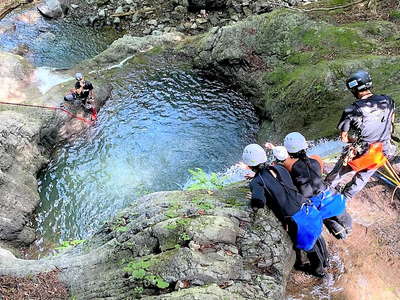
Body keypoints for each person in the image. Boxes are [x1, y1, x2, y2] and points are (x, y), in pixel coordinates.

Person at [242, 144, 328, 277]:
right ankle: (325, 261)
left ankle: (318, 270)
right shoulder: (279, 168)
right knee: (316, 235)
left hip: (296, 218)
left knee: (309, 246)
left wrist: (253, 195)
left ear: (248, 165)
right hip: (307, 206)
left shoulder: (256, 182)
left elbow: (258, 203)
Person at [325, 70, 396, 199]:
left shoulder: (352, 110)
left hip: (363, 152)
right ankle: (345, 197)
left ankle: (325, 192)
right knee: (363, 177)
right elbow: (390, 125)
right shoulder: (388, 100)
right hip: (383, 149)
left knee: (339, 172)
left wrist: (355, 142)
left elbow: (344, 138)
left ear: (354, 90)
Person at [283, 132, 351, 239]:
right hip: (333, 197)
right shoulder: (316, 159)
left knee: (328, 220)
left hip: (316, 206)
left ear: (288, 151)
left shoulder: (288, 166)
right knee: (343, 220)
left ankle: (336, 228)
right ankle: (346, 229)